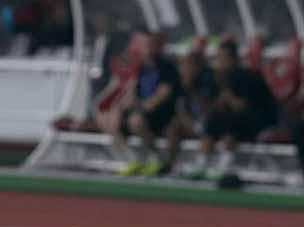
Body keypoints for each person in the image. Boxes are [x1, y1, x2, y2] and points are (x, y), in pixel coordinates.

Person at [185, 39, 277, 179]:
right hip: (232, 120)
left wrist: (225, 91)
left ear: (234, 59)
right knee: (213, 121)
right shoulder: (214, 77)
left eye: (223, 58)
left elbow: (242, 106)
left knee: (231, 123)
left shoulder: (247, 76)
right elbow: (214, 106)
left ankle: (225, 165)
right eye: (218, 58)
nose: (219, 62)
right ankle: (202, 162)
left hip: (258, 119)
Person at [111, 32, 181, 176]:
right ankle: (133, 159)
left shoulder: (167, 67)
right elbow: (133, 91)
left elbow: (163, 94)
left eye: (151, 45)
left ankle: (157, 157)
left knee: (135, 121)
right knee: (114, 119)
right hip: (142, 110)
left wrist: (142, 106)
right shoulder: (141, 68)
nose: (148, 49)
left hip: (161, 113)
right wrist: (125, 104)